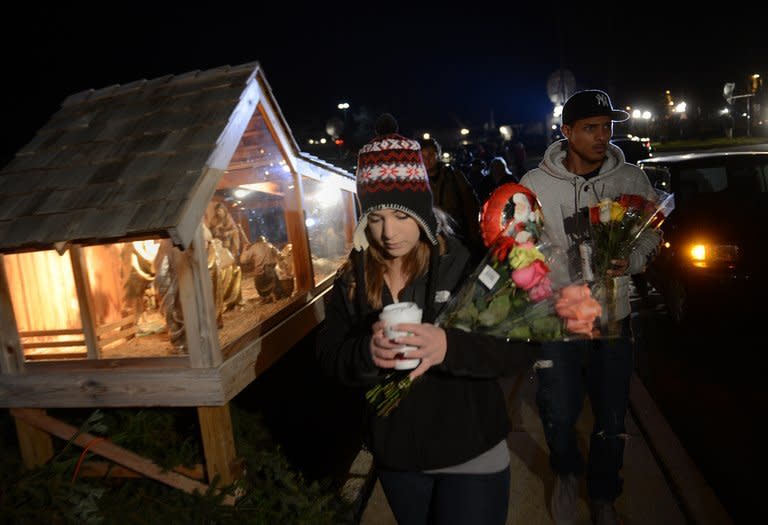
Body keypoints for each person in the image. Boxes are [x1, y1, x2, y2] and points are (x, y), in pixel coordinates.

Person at [316, 114, 540, 525]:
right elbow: (329, 355)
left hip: (472, 453)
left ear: (422, 209)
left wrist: (448, 346)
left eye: (401, 216)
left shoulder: (465, 263)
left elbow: (519, 346)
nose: (387, 233)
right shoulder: (352, 277)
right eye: (376, 217)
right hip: (398, 459)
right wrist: (367, 352)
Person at [520, 90, 662, 525]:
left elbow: (652, 234)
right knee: (558, 412)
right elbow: (517, 249)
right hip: (557, 320)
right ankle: (565, 473)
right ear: (566, 132)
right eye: (591, 128)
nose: (602, 136)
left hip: (612, 318)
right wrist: (538, 278)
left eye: (607, 126)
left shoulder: (631, 180)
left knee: (611, 414)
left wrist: (632, 258)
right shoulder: (534, 184)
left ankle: (603, 495)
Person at [418, 136, 485, 263]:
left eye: (431, 154)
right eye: (423, 155)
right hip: (432, 238)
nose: (427, 159)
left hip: (459, 235)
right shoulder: (417, 183)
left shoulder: (454, 176)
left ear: (438, 155)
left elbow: (471, 203)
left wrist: (474, 233)